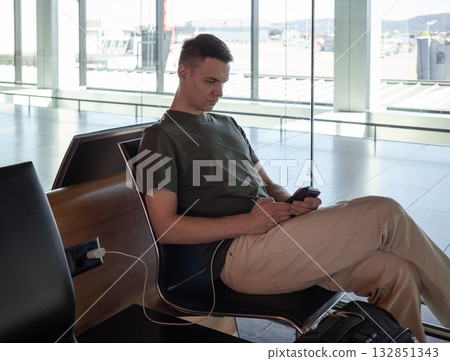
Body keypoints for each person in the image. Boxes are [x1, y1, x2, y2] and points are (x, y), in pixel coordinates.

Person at [138, 33, 450, 342]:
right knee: (386, 212)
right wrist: (246, 223)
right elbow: (165, 227)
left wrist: (290, 202)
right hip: (239, 257)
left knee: (396, 272)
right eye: (210, 82)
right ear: (183, 72)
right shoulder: (158, 137)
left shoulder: (227, 124)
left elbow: (269, 184)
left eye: (223, 82)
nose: (219, 92)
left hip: (278, 236)